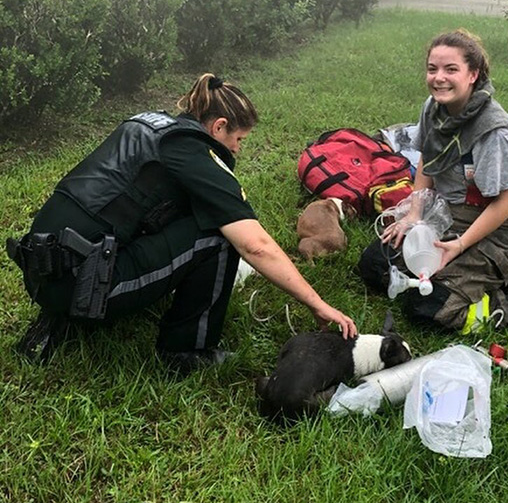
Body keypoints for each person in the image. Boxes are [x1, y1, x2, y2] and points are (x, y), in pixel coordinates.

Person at [7, 73, 356, 371]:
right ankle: (185, 350)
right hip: (81, 287)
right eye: (239, 140)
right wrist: (317, 304)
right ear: (218, 127)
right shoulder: (193, 150)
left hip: (40, 270)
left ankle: (66, 307)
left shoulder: (147, 123)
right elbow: (255, 245)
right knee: (219, 237)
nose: (238, 150)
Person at [359, 29, 508, 332]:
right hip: (445, 212)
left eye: (451, 69)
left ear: (473, 74)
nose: (439, 78)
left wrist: (460, 245)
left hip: (493, 229)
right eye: (432, 68)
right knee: (373, 263)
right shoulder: (434, 108)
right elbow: (428, 157)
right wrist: (414, 215)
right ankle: (444, 276)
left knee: (427, 309)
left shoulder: (494, 131)